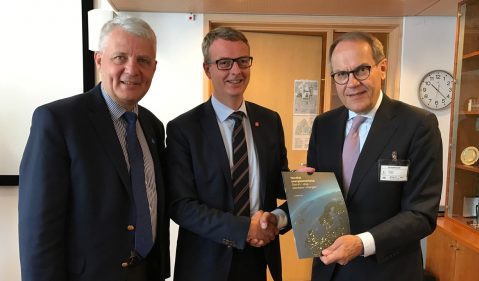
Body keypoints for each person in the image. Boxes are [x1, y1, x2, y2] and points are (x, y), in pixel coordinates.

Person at [18, 16, 169, 281]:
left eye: (143, 60)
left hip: (146, 272)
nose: (132, 70)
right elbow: (38, 230)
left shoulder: (153, 126)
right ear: (99, 60)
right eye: (120, 57)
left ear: (154, 68)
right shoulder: (58, 121)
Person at [307, 32, 443, 281]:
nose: (352, 83)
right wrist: (302, 190)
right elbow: (320, 197)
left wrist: (361, 243)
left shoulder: (417, 125)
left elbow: (421, 214)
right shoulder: (323, 125)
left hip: (388, 271)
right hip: (329, 271)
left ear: (382, 68)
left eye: (361, 70)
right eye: (341, 74)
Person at [166, 27, 289, 281]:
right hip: (205, 263)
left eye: (243, 61)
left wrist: (303, 183)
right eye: (224, 63)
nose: (236, 71)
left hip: (258, 257)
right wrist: (244, 229)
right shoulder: (184, 129)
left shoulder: (269, 121)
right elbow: (182, 206)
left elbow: (278, 184)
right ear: (207, 69)